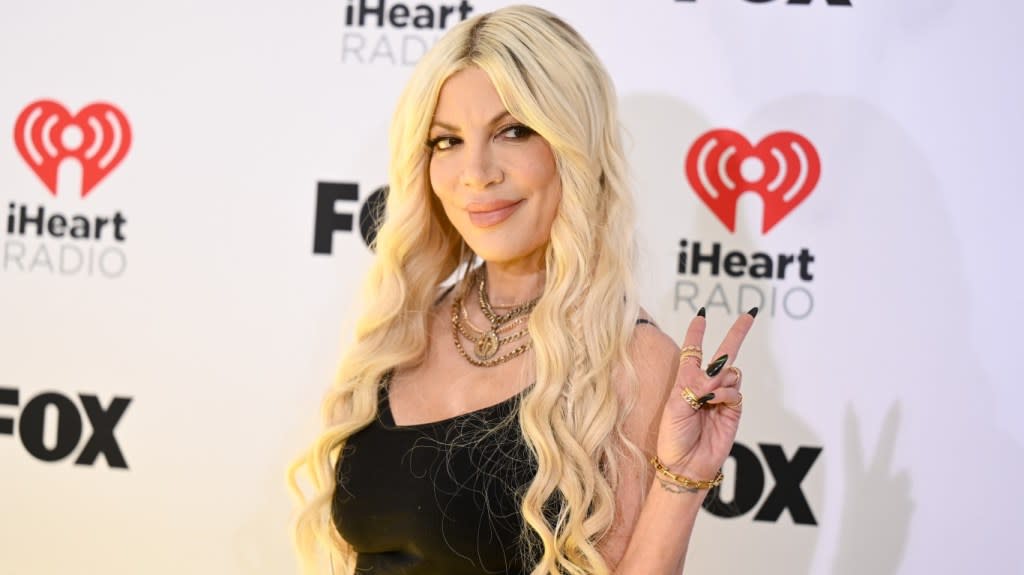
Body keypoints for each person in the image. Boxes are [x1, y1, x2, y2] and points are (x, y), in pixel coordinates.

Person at [289, 5, 755, 574]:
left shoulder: (632, 363)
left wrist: (682, 485)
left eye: (513, 131)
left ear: (572, 147)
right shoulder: (402, 329)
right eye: (446, 141)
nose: (476, 172)